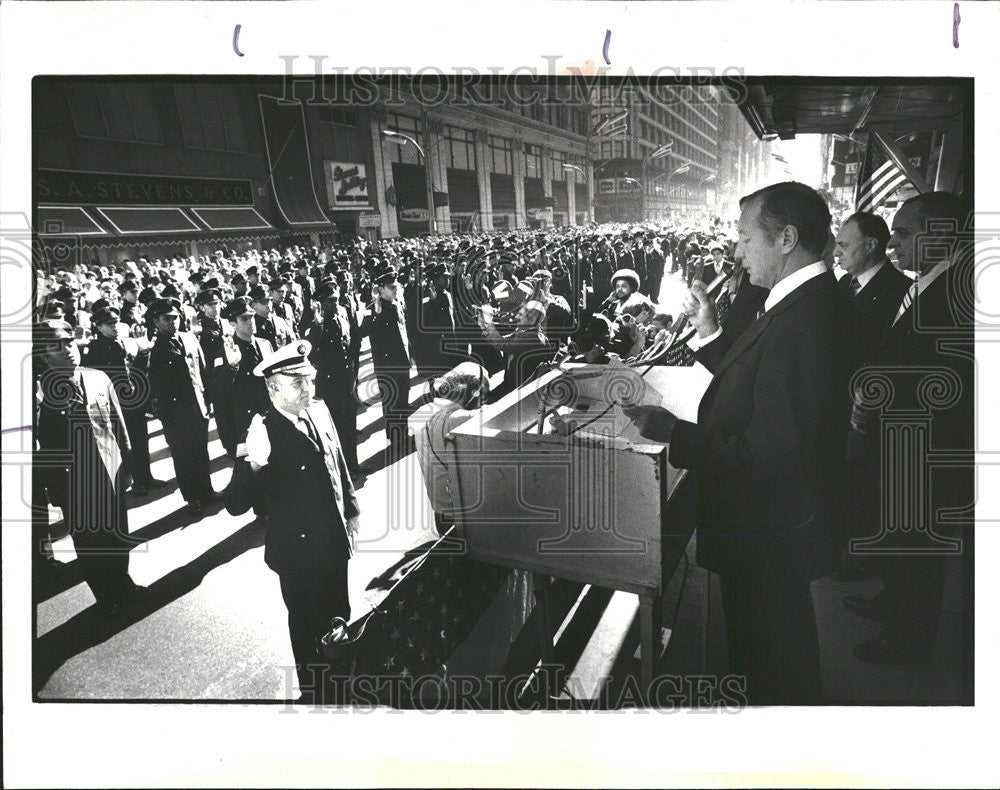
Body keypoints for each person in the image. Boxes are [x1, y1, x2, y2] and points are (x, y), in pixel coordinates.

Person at [624, 182, 862, 704]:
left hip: (768, 532)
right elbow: (753, 382)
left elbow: (772, 455)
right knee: (771, 650)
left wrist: (674, 433)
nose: (735, 251)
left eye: (744, 237)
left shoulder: (806, 321)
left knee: (771, 658)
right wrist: (709, 328)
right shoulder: (802, 305)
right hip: (771, 531)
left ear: (786, 239)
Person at [845, 192, 974, 665]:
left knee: (918, 547)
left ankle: (908, 641)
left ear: (938, 233)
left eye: (902, 233)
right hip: (900, 443)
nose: (892, 243)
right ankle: (893, 601)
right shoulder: (929, 281)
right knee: (898, 536)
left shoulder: (961, 292)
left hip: (927, 450)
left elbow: (947, 383)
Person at [228, 340, 360, 702]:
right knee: (306, 625)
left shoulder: (319, 410)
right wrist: (253, 462)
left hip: (333, 538)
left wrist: (351, 510)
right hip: (298, 552)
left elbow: (337, 462)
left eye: (310, 380)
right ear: (273, 388)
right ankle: (314, 694)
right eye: (298, 383)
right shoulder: (261, 431)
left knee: (338, 614)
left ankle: (341, 680)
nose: (309, 389)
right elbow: (235, 504)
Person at [34, 318, 149, 617]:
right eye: (57, 346)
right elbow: (43, 449)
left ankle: (124, 584)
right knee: (90, 544)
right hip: (74, 483)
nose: (69, 350)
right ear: (44, 356)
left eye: (70, 342)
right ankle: (106, 596)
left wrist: (128, 465)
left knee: (117, 534)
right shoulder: (39, 393)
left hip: (109, 470)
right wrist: (57, 492)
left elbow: (118, 426)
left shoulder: (98, 377)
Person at [830, 211, 913, 581]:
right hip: (840, 407)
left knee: (865, 489)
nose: (837, 252)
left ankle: (863, 559)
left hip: (870, 415)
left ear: (870, 245)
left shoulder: (899, 291)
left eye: (845, 245)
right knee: (845, 484)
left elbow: (890, 359)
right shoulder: (846, 285)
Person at [147, 297, 220, 517]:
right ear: (156, 322)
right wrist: (166, 418)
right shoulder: (156, 350)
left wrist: (208, 400)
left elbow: (203, 371)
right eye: (166, 319)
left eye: (175, 317)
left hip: (198, 407)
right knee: (183, 456)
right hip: (176, 415)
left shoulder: (189, 339)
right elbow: (157, 389)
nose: (172, 322)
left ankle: (206, 491)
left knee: (201, 452)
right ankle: (192, 498)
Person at [81, 305, 165, 495]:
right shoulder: (94, 348)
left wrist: (144, 353)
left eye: (116, 322)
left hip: (134, 399)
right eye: (109, 324)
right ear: (98, 326)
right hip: (114, 403)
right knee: (125, 443)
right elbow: (92, 377)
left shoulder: (127, 343)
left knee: (141, 440)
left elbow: (138, 371)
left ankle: (146, 476)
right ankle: (135, 481)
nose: (114, 326)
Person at [306, 278, 362, 474]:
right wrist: (317, 326)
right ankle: (341, 471)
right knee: (336, 430)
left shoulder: (343, 315)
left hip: (346, 380)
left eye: (336, 299)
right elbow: (310, 355)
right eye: (330, 301)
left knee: (349, 426)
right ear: (320, 303)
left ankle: (353, 464)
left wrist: (354, 375)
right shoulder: (315, 324)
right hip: (330, 386)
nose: (335, 304)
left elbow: (351, 344)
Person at [360, 264, 413, 453]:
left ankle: (404, 434)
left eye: (396, 286)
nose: (395, 289)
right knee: (391, 402)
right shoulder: (372, 308)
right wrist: (377, 316)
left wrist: (410, 354)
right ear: (380, 288)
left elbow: (403, 331)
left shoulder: (397, 303)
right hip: (386, 364)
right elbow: (362, 332)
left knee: (402, 401)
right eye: (391, 287)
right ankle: (395, 438)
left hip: (401, 360)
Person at [221, 296, 273, 450]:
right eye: (244, 319)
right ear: (232, 323)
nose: (251, 321)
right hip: (247, 419)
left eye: (251, 317)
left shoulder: (265, 344)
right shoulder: (228, 350)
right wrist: (232, 366)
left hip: (270, 413)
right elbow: (219, 391)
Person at [250, 285, 295, 349]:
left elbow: (290, 344)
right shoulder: (252, 325)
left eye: (270, 300)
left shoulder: (280, 321)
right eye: (263, 302)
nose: (268, 304)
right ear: (254, 305)